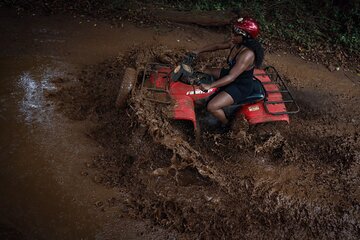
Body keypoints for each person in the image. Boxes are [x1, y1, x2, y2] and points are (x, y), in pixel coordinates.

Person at [192, 17, 264, 128]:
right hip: (232, 75)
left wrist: (209, 85)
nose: (232, 36)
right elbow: (217, 46)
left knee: (212, 106)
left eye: (235, 34)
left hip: (240, 85)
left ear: (245, 37)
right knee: (203, 70)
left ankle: (226, 124)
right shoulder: (236, 44)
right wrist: (197, 51)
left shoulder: (247, 54)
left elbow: (231, 77)